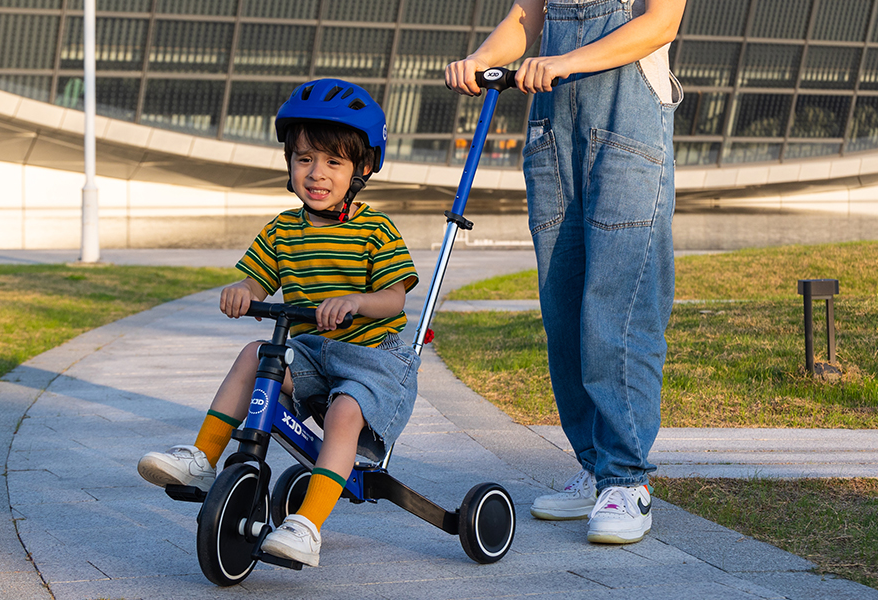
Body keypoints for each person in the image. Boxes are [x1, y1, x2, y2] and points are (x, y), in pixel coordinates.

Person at [136, 79, 421, 567]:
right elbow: (253, 281)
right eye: (305, 159)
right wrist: (240, 293)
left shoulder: (375, 229)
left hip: (371, 360)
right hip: (312, 355)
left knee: (345, 411)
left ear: (363, 169)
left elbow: (394, 299)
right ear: (289, 164)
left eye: (334, 162)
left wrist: (355, 300)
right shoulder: (281, 230)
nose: (317, 173)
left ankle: (307, 526)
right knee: (255, 353)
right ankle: (205, 459)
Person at [446, 0, 684, 544]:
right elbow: (524, 20)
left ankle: (626, 479)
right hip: (555, 140)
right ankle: (595, 468)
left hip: (628, 143)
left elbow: (659, 24)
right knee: (564, 312)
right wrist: (480, 60)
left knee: (619, 314)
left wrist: (565, 62)